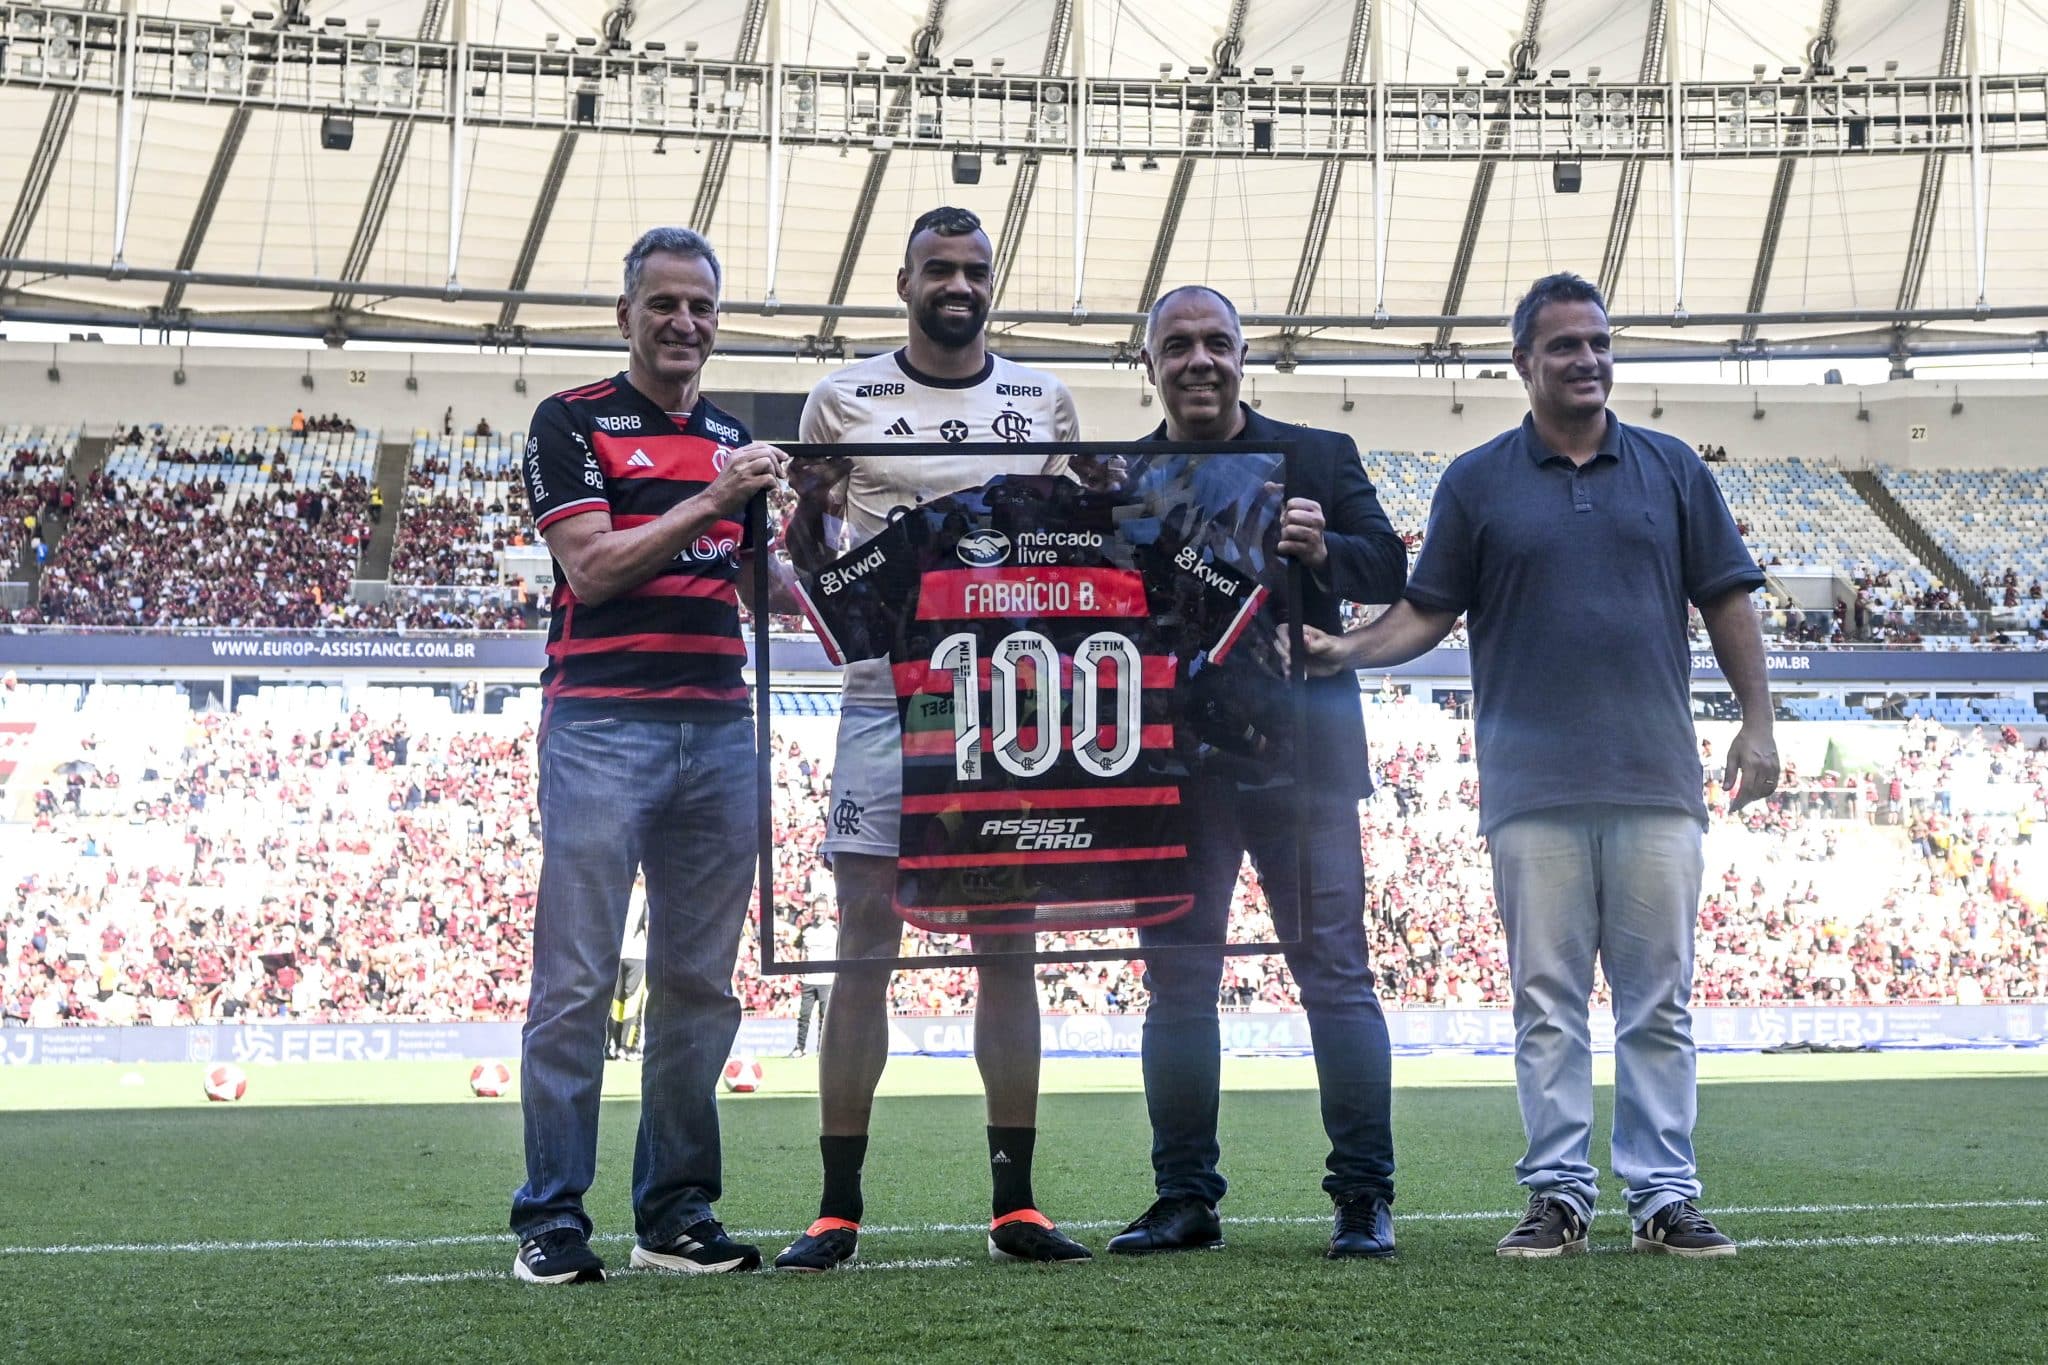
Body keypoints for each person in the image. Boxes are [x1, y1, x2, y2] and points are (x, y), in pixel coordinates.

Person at [1299, 272, 1780, 1259]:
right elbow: (1427, 611)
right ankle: (1556, 1193)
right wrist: (1345, 648)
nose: (1586, 361)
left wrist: (1757, 723)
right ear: (1521, 361)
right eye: (1563, 346)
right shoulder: (1475, 482)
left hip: (1654, 778)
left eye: (1597, 343)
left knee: (1658, 1004)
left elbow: (1727, 599)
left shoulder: (1674, 469)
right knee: (1547, 1007)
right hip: (1529, 788)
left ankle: (1662, 1195)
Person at [774, 205, 1090, 1272]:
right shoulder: (841, 398)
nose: (955, 285)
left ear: (989, 281)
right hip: (882, 696)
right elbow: (806, 537)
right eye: (936, 270)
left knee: (1010, 946)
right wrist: (826, 599)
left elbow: (1071, 532)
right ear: (901, 282)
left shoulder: (1042, 399)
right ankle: (835, 1209)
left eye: (972, 269)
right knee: (864, 942)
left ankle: (1015, 1206)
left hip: (1004, 703)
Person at [1101, 286, 1407, 1261]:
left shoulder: (1316, 456)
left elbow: (1390, 572)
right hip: (1174, 771)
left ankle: (1362, 1196)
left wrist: (1325, 547)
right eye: (1177, 345)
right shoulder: (1121, 478)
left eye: (1215, 343)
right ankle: (1183, 1195)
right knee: (1176, 987)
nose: (1198, 360)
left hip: (1303, 764)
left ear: (1243, 357)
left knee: (1336, 980)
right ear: (1146, 361)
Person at [509, 224, 789, 1285]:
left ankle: (674, 1213)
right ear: (625, 314)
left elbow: (767, 594)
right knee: (575, 985)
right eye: (663, 303)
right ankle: (550, 1219)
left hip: (721, 727)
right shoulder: (569, 421)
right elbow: (590, 569)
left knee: (699, 987)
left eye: (700, 307)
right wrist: (716, 499)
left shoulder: (730, 439)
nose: (683, 322)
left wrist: (808, 541)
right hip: (600, 726)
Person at [790, 913, 836, 1059]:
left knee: (825, 1017)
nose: (818, 914)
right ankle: (800, 1048)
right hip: (809, 980)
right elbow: (795, 946)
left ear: (827, 910)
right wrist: (799, 967)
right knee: (804, 1015)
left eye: (821, 910)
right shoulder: (806, 929)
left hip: (827, 980)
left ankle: (822, 1050)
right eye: (816, 910)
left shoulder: (835, 929)